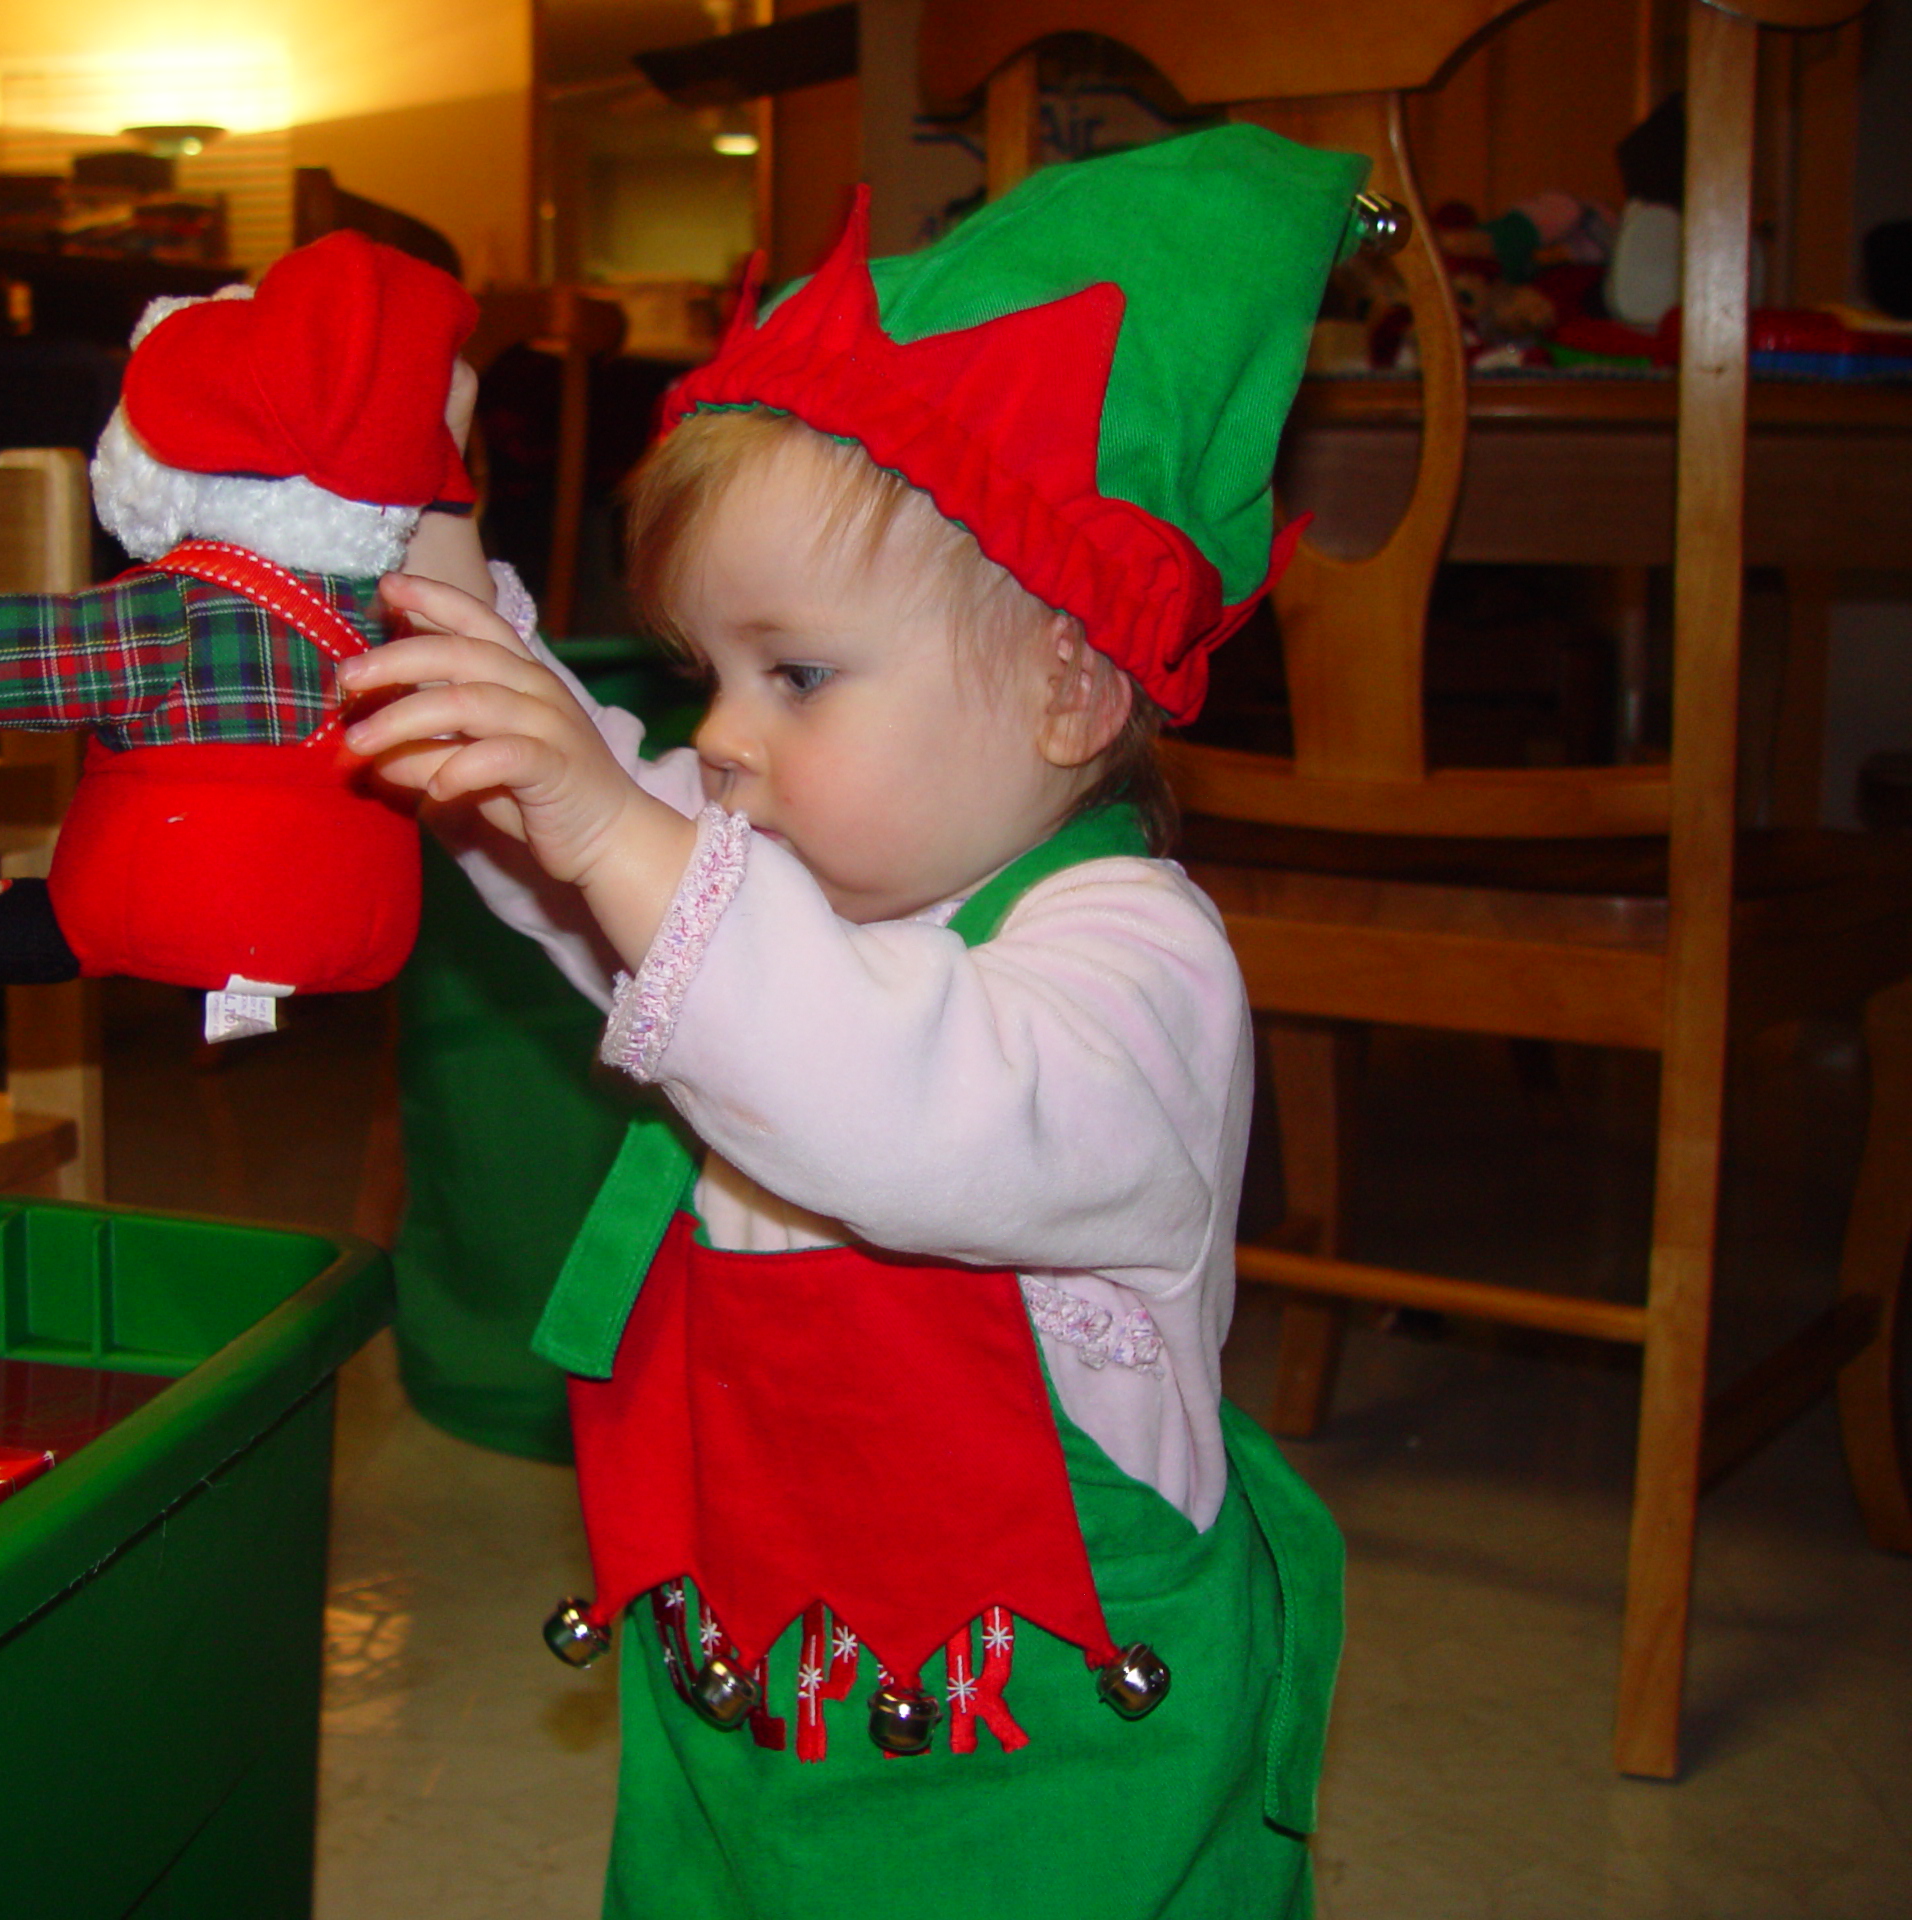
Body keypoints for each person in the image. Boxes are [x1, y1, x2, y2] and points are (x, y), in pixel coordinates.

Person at [339, 126, 1371, 1918]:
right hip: (759, 1662)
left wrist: (616, 822)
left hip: (1054, 1744)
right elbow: (653, 925)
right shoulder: (782, 897)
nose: (719, 739)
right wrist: (465, 650)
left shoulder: (1136, 965)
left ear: (1067, 687)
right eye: (706, 676)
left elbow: (908, 1107)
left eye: (795, 673)